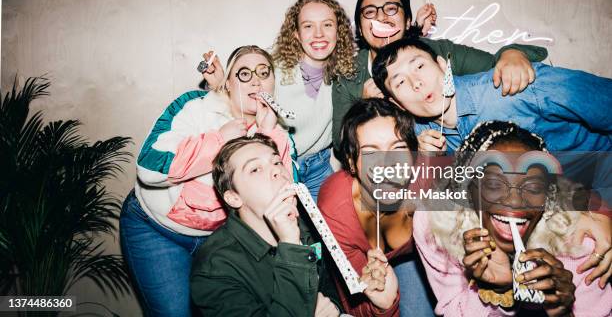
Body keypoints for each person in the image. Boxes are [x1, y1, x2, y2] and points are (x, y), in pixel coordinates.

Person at [120, 46, 295, 316]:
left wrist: (267, 131)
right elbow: (149, 168)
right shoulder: (196, 107)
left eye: (264, 72)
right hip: (157, 229)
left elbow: (280, 197)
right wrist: (218, 140)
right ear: (228, 83)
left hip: (217, 238)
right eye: (244, 73)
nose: (256, 81)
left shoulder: (276, 130)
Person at [413, 121, 612, 316]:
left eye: (533, 187)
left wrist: (562, 311)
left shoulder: (578, 244)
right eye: (493, 184)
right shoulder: (436, 226)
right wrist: (498, 293)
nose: (515, 202)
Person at [331, 0, 550, 151]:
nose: (381, 18)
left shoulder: (438, 53)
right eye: (370, 12)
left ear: (407, 21)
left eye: (391, 9)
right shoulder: (348, 74)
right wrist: (364, 108)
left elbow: (494, 64)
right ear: (359, 29)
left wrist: (511, 53)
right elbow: (341, 146)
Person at [200, 0, 356, 202]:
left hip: (319, 166)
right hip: (277, 164)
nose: (319, 34)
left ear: (339, 31)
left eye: (327, 25)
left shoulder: (346, 71)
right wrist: (220, 85)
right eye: (308, 26)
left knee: (327, 229)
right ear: (296, 34)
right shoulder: (269, 66)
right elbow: (240, 100)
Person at [371, 36, 612, 153]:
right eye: (401, 82)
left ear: (444, 67)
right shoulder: (420, 137)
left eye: (420, 66)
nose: (416, 83)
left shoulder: (515, 87)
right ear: (396, 103)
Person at [190, 134, 341, 316]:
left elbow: (330, 289)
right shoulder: (214, 270)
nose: (277, 171)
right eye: (255, 169)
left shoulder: (307, 224)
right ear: (234, 197)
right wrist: (291, 245)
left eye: (277, 162)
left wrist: (333, 306)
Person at [318, 98, 429, 317]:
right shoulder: (336, 209)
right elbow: (357, 303)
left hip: (418, 260)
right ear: (351, 162)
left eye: (397, 148)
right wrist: (384, 305)